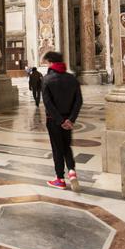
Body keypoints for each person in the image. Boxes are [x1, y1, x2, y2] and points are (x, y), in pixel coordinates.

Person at [41, 51, 82, 192]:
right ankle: (71, 171)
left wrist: (60, 120)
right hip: (68, 121)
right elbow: (78, 101)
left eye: (47, 62)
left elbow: (48, 103)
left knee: (57, 149)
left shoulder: (47, 79)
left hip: (54, 121)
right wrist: (70, 119)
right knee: (67, 146)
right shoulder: (72, 79)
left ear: (51, 63)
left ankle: (60, 179)